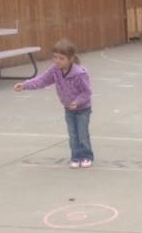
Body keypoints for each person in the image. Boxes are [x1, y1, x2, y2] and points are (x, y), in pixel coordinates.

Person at [14, 39, 94, 168]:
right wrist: (25, 85)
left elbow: (87, 92)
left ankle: (86, 156)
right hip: (68, 108)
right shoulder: (55, 70)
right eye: (55, 57)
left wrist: (77, 101)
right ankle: (75, 157)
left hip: (83, 109)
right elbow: (42, 80)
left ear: (71, 58)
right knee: (73, 134)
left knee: (82, 133)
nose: (57, 61)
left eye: (61, 58)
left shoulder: (80, 74)